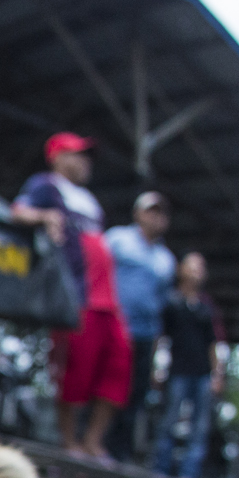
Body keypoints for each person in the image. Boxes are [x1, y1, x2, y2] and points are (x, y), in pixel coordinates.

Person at [11, 132, 129, 461]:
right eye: (76, 154)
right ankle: (69, 441)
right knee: (77, 368)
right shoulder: (45, 185)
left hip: (109, 299)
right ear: (57, 157)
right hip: (78, 296)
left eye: (85, 156)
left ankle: (93, 440)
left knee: (119, 364)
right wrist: (46, 217)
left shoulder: (90, 202)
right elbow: (18, 212)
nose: (84, 162)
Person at [104, 191, 176, 463]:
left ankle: (118, 453)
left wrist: (158, 351)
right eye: (151, 210)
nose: (156, 217)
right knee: (104, 387)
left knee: (134, 395)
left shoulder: (166, 260)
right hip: (114, 327)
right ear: (137, 213)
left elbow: (160, 307)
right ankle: (88, 444)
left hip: (144, 335)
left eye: (162, 213)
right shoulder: (118, 239)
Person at [153, 252, 226, 478]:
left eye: (200, 267)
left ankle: (188, 475)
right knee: (169, 422)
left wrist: (217, 375)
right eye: (191, 266)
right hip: (178, 373)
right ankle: (160, 470)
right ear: (181, 270)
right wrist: (157, 368)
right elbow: (161, 338)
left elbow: (213, 344)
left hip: (202, 375)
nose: (196, 271)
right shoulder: (172, 304)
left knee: (199, 428)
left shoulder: (207, 309)